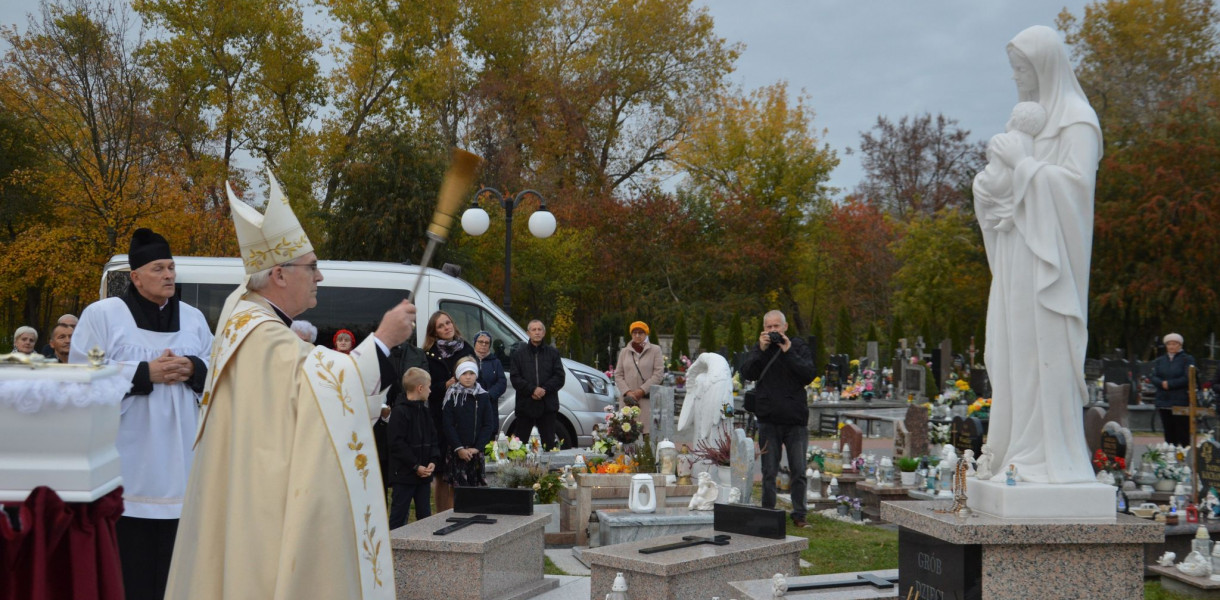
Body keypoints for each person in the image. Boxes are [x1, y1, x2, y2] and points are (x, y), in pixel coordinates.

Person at [166, 172, 413, 599]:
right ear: (279, 274)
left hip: (253, 489)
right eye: (312, 266)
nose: (319, 276)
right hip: (264, 506)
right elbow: (327, 392)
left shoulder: (246, 319)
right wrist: (384, 340)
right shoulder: (260, 333)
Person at [972, 25, 1102, 484]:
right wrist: (988, 185)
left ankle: (1046, 455)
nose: (1016, 78)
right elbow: (994, 186)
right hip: (1015, 260)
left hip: (1050, 267)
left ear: (1044, 66)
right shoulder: (1024, 117)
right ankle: (1012, 447)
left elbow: (1075, 192)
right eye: (1013, 69)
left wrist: (1024, 165)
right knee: (1007, 352)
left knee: (1037, 355)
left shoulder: (1077, 120)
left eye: (1022, 69)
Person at [70, 228, 212, 600]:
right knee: (131, 577)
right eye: (158, 268)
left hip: (183, 464)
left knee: (178, 578)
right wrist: (142, 373)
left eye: (171, 267)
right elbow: (80, 376)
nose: (168, 275)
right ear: (134, 276)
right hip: (127, 468)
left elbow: (220, 367)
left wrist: (193, 368)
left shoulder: (195, 318)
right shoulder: (103, 315)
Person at [741, 310, 816, 528]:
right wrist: (761, 350)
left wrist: (789, 351)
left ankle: (800, 514)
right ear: (764, 328)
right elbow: (747, 373)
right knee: (768, 471)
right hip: (769, 419)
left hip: (795, 420)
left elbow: (809, 374)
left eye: (777, 327)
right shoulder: (760, 348)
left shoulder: (798, 346)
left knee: (799, 470)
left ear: (785, 328)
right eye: (769, 327)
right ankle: (768, 512)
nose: (773, 331)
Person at [423, 310, 474, 512]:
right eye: (441, 326)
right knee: (442, 473)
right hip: (440, 419)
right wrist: (444, 385)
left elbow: (480, 381)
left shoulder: (466, 349)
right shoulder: (428, 354)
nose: (447, 327)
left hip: (463, 418)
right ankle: (442, 515)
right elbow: (425, 388)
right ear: (434, 333)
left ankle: (460, 513)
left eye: (448, 323)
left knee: (461, 471)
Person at [975, 101, 1048, 234]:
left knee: (993, 187)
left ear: (1013, 120)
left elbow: (989, 153)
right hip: (1015, 181)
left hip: (997, 178)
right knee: (1012, 189)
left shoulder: (1000, 138)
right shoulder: (1031, 143)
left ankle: (997, 215)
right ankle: (1009, 215)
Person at [388, 367, 439, 529]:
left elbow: (433, 438)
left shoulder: (424, 411)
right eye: (429, 387)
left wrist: (433, 460)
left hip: (423, 475)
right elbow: (396, 443)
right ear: (420, 388)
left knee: (425, 515)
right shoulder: (399, 412)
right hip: (404, 474)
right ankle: (394, 548)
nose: (431, 391)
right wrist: (415, 465)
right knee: (399, 515)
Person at [441, 358, 497, 489]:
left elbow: (488, 424)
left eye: (471, 373)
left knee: (476, 488)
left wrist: (477, 447)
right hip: (457, 450)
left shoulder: (483, 396)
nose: (468, 377)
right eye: (464, 373)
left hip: (475, 450)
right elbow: (447, 424)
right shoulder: (452, 395)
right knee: (458, 489)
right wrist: (459, 448)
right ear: (458, 375)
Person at [510, 320, 565, 447]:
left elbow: (559, 377)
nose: (537, 332)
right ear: (528, 333)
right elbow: (515, 378)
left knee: (549, 445)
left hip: (548, 405)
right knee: (519, 446)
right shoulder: (519, 354)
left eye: (539, 329)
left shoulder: (553, 353)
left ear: (544, 333)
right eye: (533, 330)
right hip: (525, 405)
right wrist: (532, 390)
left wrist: (544, 389)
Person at [613, 321, 665, 434]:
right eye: (634, 332)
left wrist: (642, 390)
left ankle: (647, 452)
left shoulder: (655, 350)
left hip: (646, 400)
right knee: (627, 434)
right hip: (628, 401)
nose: (637, 335)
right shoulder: (624, 352)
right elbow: (618, 374)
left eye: (640, 333)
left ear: (646, 334)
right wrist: (627, 392)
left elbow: (658, 374)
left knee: (647, 434)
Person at [1151, 333, 1197, 446]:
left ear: (1180, 345)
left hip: (1180, 400)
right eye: (1169, 344)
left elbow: (1188, 377)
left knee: (1182, 431)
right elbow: (1153, 376)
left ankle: (1184, 456)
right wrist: (1162, 383)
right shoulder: (1160, 360)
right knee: (1168, 431)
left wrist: (1170, 384)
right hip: (1164, 400)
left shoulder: (1187, 359)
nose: (1171, 346)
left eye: (1174, 344)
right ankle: (1170, 456)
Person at [472, 331, 508, 405]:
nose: (484, 344)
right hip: (471, 403)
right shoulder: (468, 360)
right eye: (480, 342)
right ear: (475, 343)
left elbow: (502, 382)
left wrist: (489, 395)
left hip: (490, 404)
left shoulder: (495, 362)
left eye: (487, 342)